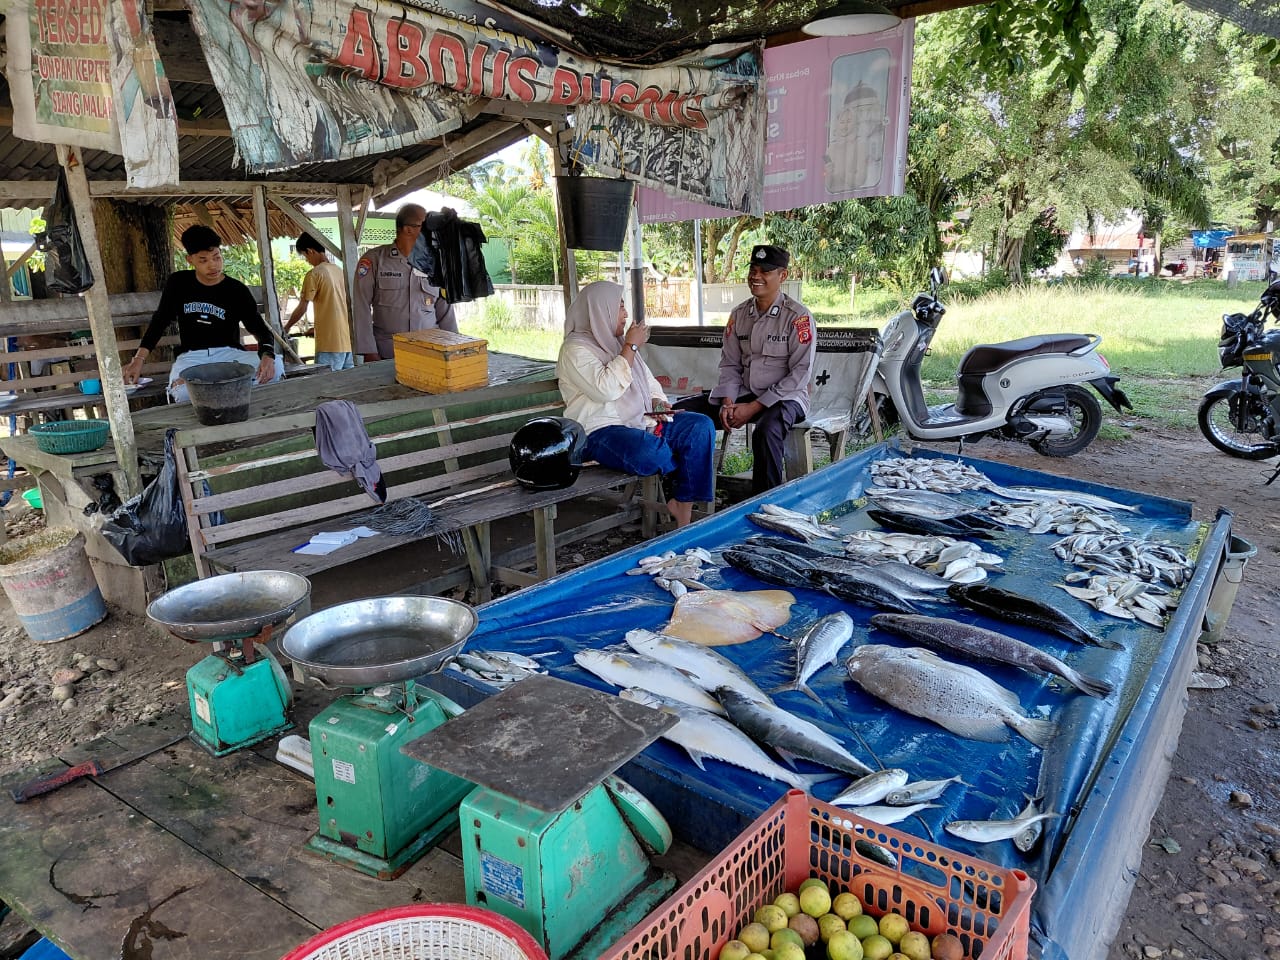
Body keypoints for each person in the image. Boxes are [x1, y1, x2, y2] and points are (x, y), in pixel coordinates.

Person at [557, 281, 716, 528]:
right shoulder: (575, 350)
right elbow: (605, 389)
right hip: (599, 432)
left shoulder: (616, 343)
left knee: (700, 426)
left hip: (640, 421)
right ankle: (675, 469)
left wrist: (659, 403)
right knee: (651, 453)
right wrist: (630, 347)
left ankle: (682, 504)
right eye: (619, 306)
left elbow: (649, 383)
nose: (625, 314)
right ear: (600, 310)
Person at [674, 244, 817, 494]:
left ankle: (766, 503)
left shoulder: (798, 317)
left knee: (767, 430)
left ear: (782, 276)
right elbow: (730, 364)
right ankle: (680, 491)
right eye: (753, 269)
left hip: (787, 398)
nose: (756, 276)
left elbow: (800, 373)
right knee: (681, 412)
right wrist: (728, 403)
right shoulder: (738, 315)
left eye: (765, 271)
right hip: (745, 392)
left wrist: (754, 407)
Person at [123, 225, 282, 401]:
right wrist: (138, 359)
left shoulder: (236, 290)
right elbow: (159, 321)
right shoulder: (178, 283)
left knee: (278, 368)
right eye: (203, 260)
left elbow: (259, 329)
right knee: (182, 394)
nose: (213, 265)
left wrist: (267, 356)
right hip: (192, 358)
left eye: (217, 257)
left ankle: (211, 387)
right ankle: (228, 388)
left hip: (229, 357)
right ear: (190, 260)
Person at [352, 203, 457, 361]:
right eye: (426, 226)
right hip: (388, 354)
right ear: (408, 229)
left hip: (430, 354)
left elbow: (445, 311)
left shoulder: (436, 264)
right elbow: (361, 308)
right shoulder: (374, 260)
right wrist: (369, 351)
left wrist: (455, 347)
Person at [285, 232, 353, 372]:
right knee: (346, 386)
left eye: (305, 256)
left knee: (326, 388)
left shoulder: (314, 274)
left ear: (310, 251)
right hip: (347, 343)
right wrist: (317, 329)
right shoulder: (340, 271)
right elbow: (337, 306)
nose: (307, 260)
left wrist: (286, 328)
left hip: (329, 346)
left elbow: (302, 308)